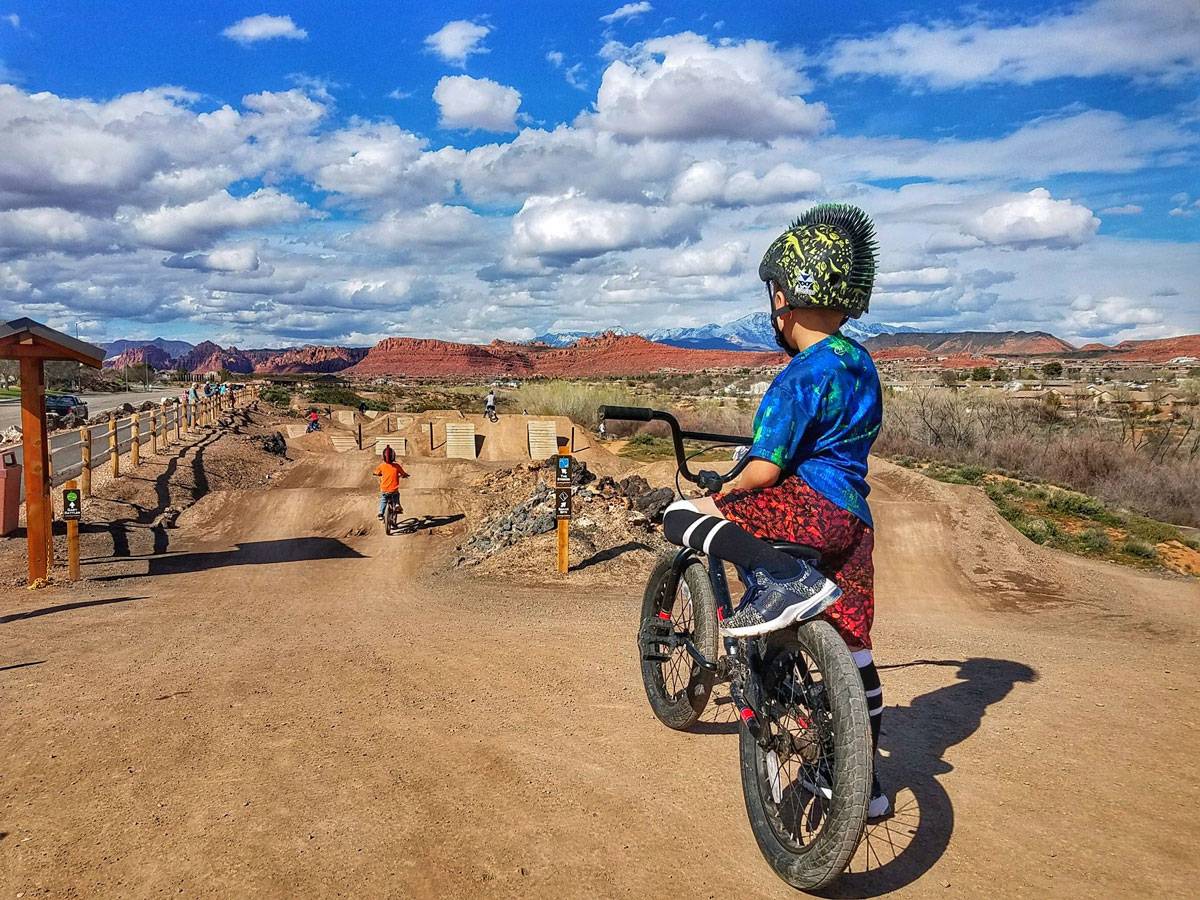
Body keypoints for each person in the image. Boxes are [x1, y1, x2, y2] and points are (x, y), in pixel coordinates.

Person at [660, 203, 888, 818]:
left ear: (784, 297)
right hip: (853, 520)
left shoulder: (797, 375)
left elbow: (764, 469)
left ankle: (783, 581)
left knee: (682, 518)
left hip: (807, 505)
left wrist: (721, 493)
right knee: (855, 645)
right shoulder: (860, 363)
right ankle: (864, 787)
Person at [373, 445, 410, 519]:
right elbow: (403, 473)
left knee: (383, 500)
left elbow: (376, 472)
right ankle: (396, 504)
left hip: (384, 489)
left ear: (383, 457)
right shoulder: (397, 466)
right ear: (393, 456)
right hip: (394, 489)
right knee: (396, 495)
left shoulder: (382, 466)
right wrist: (405, 475)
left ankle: (381, 513)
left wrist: (376, 473)